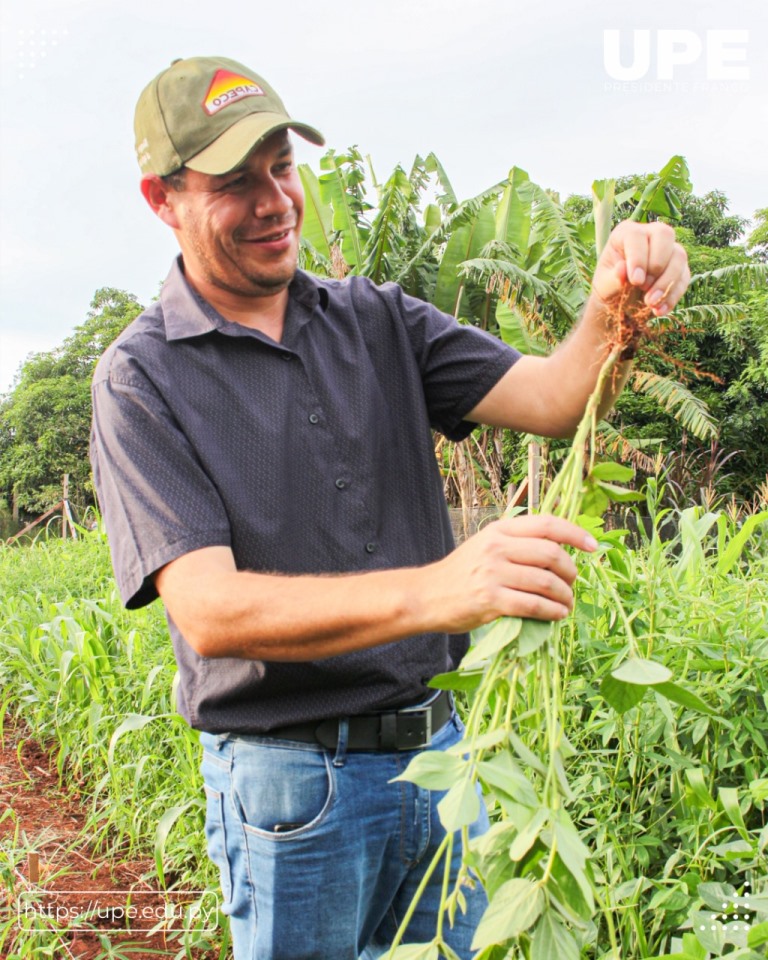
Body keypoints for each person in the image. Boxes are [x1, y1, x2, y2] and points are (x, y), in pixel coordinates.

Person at [90, 56, 691, 960]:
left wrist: (614, 305)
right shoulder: (142, 377)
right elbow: (210, 614)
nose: (274, 202)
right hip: (293, 786)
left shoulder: (377, 318)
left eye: (282, 168)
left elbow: (554, 398)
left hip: (445, 763)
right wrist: (442, 593)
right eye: (233, 184)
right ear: (161, 199)